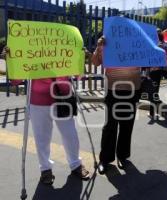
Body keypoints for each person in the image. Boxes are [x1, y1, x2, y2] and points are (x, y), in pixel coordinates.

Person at [2, 47, 90, 185]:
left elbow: (79, 75)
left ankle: (76, 164)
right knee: (42, 138)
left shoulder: (64, 49)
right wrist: (11, 60)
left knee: (70, 135)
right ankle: (45, 169)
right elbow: (16, 80)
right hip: (39, 101)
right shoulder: (30, 51)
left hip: (63, 99)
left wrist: (80, 57)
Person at [92, 36, 141, 174]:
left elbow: (150, 62)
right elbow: (95, 63)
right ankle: (105, 159)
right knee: (110, 125)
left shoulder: (137, 43)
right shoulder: (106, 44)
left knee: (127, 124)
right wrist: (98, 47)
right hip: (113, 89)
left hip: (132, 89)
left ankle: (122, 156)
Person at [148, 27, 167, 119]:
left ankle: (153, 112)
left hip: (154, 71)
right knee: (157, 90)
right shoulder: (165, 44)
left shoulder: (152, 44)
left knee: (153, 91)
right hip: (163, 70)